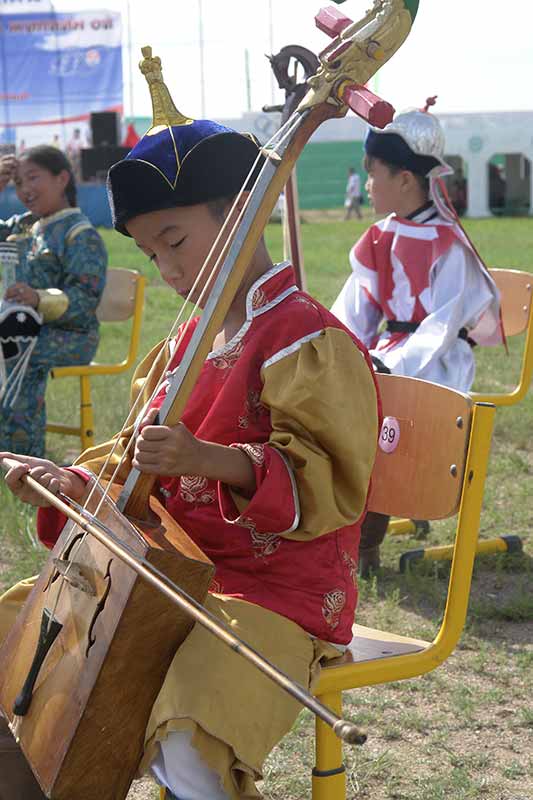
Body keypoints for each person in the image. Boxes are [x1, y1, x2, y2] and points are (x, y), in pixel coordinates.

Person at [0, 50, 379, 800]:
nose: (167, 269)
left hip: (273, 591)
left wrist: (210, 458)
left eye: (174, 242)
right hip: (167, 572)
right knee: (18, 631)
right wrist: (70, 482)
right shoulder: (186, 341)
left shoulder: (307, 339)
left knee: (191, 719)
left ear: (239, 216)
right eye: (149, 253)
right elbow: (134, 460)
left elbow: (329, 486)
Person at [331, 105, 502, 575]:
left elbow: (442, 328)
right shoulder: (375, 238)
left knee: (384, 423)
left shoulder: (447, 243)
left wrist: (391, 368)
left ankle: (366, 541)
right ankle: (350, 530)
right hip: (390, 356)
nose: (366, 184)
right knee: (342, 408)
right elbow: (355, 311)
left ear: (405, 179)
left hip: (437, 365)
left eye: (374, 173)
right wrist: (339, 349)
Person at [0, 145, 108, 457]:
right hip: (29, 330)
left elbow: (85, 299)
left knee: (15, 348)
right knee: (13, 341)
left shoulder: (79, 233)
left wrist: (37, 299)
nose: (25, 189)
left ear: (62, 178)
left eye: (33, 177)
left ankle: (21, 460)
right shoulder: (24, 226)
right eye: (18, 182)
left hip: (73, 335)